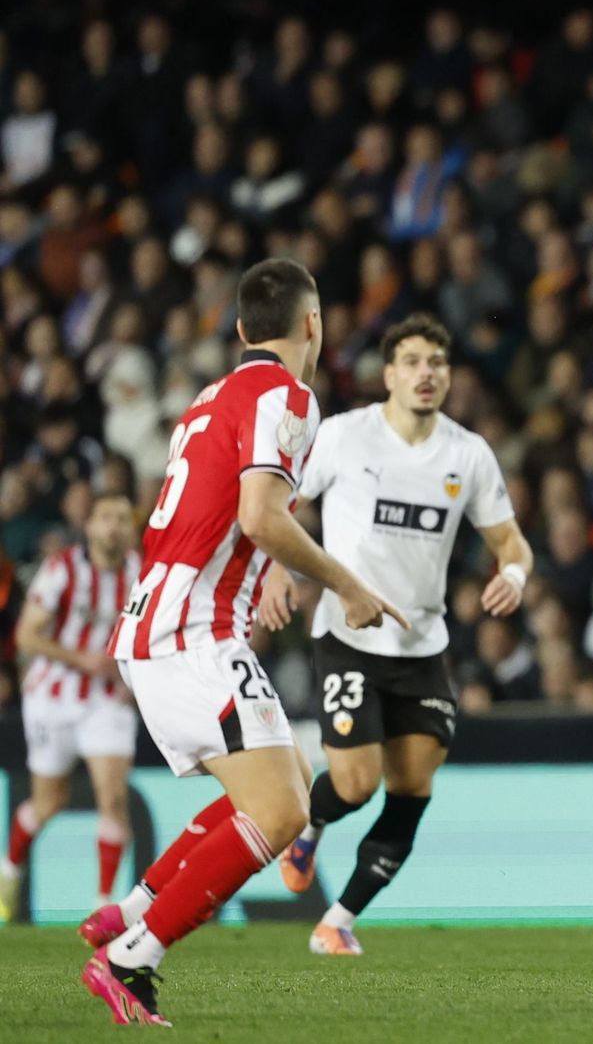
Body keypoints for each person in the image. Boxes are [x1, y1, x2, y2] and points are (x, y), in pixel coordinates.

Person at [77, 258, 407, 1026]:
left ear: (239, 330)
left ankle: (135, 907)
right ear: (313, 323)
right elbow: (259, 515)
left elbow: (222, 508)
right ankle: (134, 956)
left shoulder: (212, 394)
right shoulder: (287, 395)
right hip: (189, 630)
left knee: (282, 774)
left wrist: (263, 573)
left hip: (168, 619)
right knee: (284, 811)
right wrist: (347, 586)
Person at [257, 312, 533, 956]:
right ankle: (313, 822)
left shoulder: (467, 453)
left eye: (436, 363)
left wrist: (515, 575)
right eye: (411, 362)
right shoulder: (346, 437)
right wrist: (275, 570)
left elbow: (509, 541)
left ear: (449, 375)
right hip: (349, 636)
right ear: (388, 375)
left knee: (412, 789)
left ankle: (339, 921)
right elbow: (279, 506)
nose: (425, 374)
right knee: (355, 784)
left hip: (423, 647)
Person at [0, 491, 139, 922]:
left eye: (120, 517)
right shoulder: (61, 570)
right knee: (49, 802)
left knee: (113, 797)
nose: (113, 526)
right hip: (52, 697)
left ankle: (102, 906)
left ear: (130, 528)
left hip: (107, 700)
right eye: (105, 517)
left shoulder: (143, 573)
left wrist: (135, 679)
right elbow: (26, 635)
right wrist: (84, 660)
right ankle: (9, 867)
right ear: (90, 526)